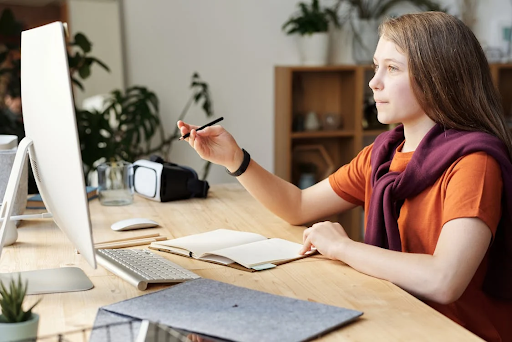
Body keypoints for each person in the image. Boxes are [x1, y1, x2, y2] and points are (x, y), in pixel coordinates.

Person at [178, 12, 512, 342]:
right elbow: (299, 205)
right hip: (398, 317)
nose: (373, 81)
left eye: (392, 68)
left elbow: (444, 280)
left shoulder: (474, 164)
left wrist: (342, 247)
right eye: (375, 66)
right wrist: (235, 159)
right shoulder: (382, 155)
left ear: (438, 77)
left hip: (455, 333)